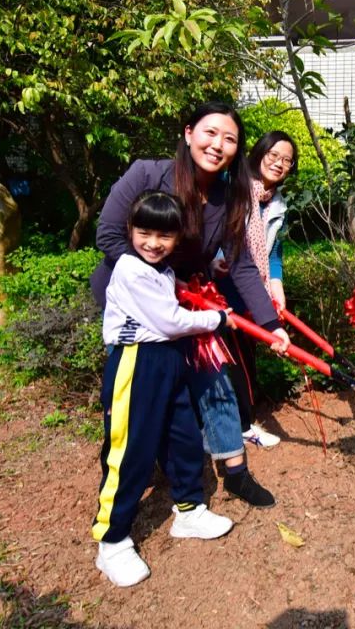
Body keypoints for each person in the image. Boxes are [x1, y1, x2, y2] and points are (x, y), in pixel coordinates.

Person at [90, 101, 290, 510]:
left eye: (230, 139)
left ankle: (235, 471)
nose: (218, 145)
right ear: (188, 133)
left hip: (191, 301)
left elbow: (243, 265)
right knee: (136, 391)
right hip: (137, 303)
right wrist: (168, 281)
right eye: (210, 133)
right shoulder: (147, 173)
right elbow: (109, 237)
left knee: (214, 377)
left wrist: (271, 324)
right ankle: (127, 467)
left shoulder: (231, 196)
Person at [91, 191, 236, 587]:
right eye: (144, 232)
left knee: (184, 438)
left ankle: (189, 509)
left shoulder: (162, 272)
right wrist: (217, 319)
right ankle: (112, 539)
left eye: (164, 236)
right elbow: (170, 320)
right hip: (137, 363)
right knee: (130, 449)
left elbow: (170, 301)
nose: (153, 243)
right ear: (130, 230)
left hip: (169, 362)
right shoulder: (129, 268)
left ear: (177, 238)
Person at [217, 130, 299, 449]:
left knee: (244, 356)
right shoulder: (234, 188)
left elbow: (273, 250)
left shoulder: (276, 203)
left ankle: (242, 420)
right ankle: (244, 424)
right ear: (258, 154)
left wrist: (275, 285)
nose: (279, 164)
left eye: (287, 160)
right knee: (234, 357)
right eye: (273, 155)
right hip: (223, 285)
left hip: (253, 287)